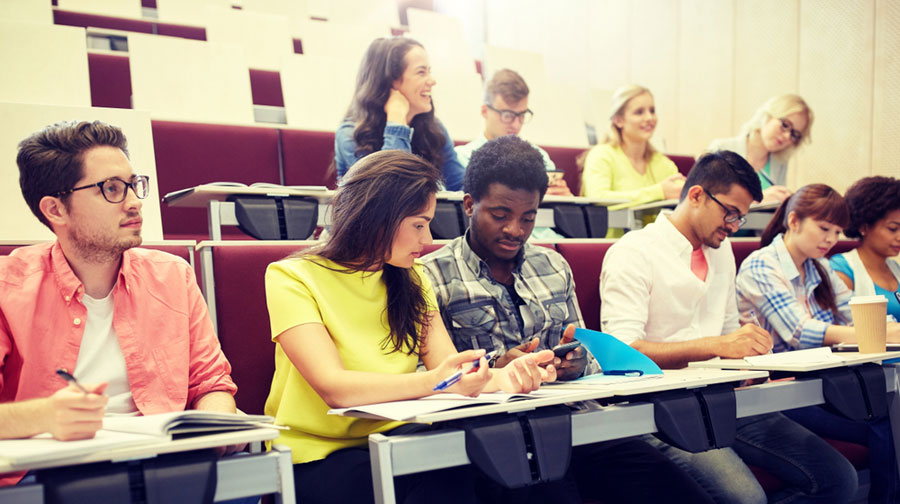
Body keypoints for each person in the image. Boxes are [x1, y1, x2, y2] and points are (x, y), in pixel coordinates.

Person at [423, 136, 714, 504]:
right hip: (502, 435)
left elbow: (590, 356)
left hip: (581, 425)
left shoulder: (554, 266)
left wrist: (574, 363)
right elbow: (426, 375)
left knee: (685, 496)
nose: (515, 229)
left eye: (528, 217)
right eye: (500, 215)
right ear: (469, 205)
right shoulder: (432, 274)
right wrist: (498, 370)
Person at [264, 149, 556, 504]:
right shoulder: (291, 277)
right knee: (370, 484)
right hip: (317, 451)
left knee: (472, 473)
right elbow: (334, 388)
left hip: (402, 437)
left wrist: (511, 375)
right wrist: (437, 383)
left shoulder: (412, 278)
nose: (428, 238)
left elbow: (454, 372)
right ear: (378, 219)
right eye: (419, 224)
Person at [600, 151, 858, 504]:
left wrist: (748, 358)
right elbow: (621, 353)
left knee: (839, 479)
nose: (736, 226)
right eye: (731, 213)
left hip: (726, 399)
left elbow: (728, 331)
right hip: (661, 410)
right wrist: (719, 346)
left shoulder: (720, 251)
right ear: (696, 196)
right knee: (747, 499)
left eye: (742, 216)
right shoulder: (634, 252)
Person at [1, 120, 238, 486]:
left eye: (132, 185)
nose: (134, 202)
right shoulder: (7, 285)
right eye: (111, 189)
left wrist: (217, 429)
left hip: (163, 463)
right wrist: (45, 416)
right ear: (55, 210)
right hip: (47, 471)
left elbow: (209, 382)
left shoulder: (173, 275)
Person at [736, 183, 900, 503]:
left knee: (889, 416)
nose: (830, 240)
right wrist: (875, 332)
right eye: (824, 228)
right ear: (794, 220)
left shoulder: (819, 267)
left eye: (838, 232)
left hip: (818, 384)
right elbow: (799, 331)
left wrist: (885, 329)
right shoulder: (762, 264)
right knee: (884, 424)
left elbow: (852, 315)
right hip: (775, 391)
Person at [333, 36, 465, 191]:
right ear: (391, 81)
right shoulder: (350, 134)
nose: (432, 81)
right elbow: (391, 193)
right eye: (421, 72)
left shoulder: (434, 129)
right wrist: (396, 122)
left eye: (429, 71)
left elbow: (461, 187)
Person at [579, 84, 686, 237]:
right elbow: (598, 198)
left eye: (652, 111)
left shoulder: (663, 163)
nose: (649, 118)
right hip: (610, 246)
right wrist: (659, 192)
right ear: (618, 120)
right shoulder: (601, 155)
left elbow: (683, 198)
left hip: (657, 247)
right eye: (639, 112)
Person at [454, 68, 571, 196]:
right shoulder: (461, 159)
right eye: (507, 115)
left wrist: (566, 200)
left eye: (522, 115)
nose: (516, 124)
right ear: (485, 111)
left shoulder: (541, 158)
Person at [708, 94, 813, 203]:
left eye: (794, 134)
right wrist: (759, 199)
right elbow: (709, 200)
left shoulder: (780, 164)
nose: (787, 136)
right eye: (785, 125)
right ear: (767, 116)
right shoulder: (721, 148)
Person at [831, 176, 900, 321]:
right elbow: (844, 323)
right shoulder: (841, 268)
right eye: (893, 229)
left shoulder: (895, 269)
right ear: (864, 227)